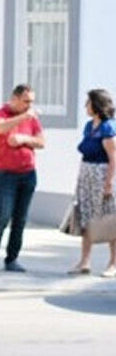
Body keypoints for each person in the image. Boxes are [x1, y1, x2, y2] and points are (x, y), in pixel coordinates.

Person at [0, 84, 45, 272]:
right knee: (4, 215)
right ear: (14, 99)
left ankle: (12, 259)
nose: (29, 105)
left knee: (20, 219)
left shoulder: (32, 119)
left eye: (31, 102)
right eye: (26, 101)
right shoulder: (0, 114)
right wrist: (24, 117)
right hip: (6, 174)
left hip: (28, 173)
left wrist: (24, 139)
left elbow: (41, 142)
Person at [67, 89, 116, 277]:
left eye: (88, 103)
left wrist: (109, 183)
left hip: (101, 175)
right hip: (86, 175)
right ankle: (84, 262)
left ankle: (113, 263)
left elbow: (113, 158)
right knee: (86, 218)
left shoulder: (108, 127)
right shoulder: (89, 126)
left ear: (96, 105)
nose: (85, 106)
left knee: (109, 219)